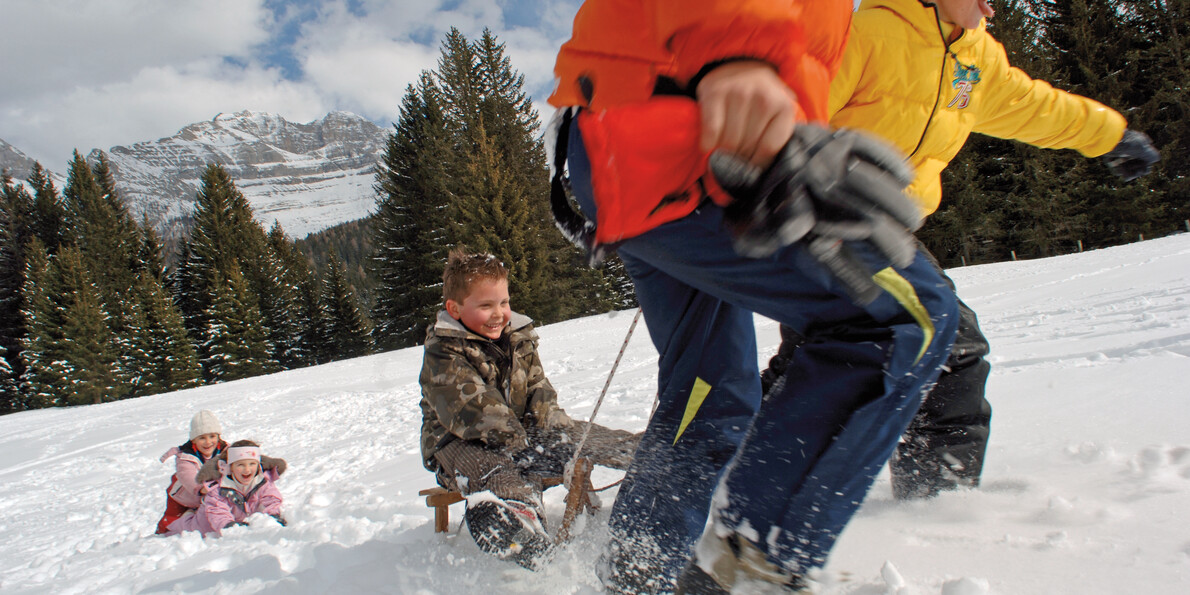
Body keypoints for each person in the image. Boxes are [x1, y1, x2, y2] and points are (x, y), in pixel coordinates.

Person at [547, 1, 960, 592]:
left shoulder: (960, 56)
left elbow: (1022, 102)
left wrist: (1111, 136)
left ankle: (639, 575)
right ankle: (750, 565)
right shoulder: (890, 32)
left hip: (626, 152)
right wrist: (734, 49)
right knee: (901, 315)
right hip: (684, 135)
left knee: (709, 391)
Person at [760, 0, 1161, 500]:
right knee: (948, 346)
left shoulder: (975, 59)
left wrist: (1111, 136)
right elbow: (793, 117)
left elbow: (1034, 106)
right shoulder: (867, 33)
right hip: (828, 222)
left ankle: (727, 455)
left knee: (820, 354)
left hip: (883, 228)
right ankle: (937, 502)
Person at [418, 248, 640, 570]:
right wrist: (526, 445)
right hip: (457, 444)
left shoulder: (518, 338)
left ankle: (649, 455)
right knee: (493, 468)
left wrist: (553, 422)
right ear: (454, 308)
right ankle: (517, 521)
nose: (499, 313)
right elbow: (474, 411)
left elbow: (538, 387)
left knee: (576, 436)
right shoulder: (445, 351)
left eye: (504, 303)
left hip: (519, 432)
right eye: (486, 305)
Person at [165, 440, 287, 537]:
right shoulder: (218, 488)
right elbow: (217, 511)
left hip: (238, 517)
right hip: (206, 524)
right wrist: (228, 525)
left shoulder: (263, 481)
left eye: (252, 464)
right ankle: (186, 516)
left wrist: (273, 515)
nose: (247, 469)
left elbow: (271, 499)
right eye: (240, 465)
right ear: (230, 467)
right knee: (191, 527)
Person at [156, 410, 228, 534]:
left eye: (212, 436)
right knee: (172, 519)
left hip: (211, 492)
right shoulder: (185, 457)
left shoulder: (226, 451)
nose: (208, 442)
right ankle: (162, 533)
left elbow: (240, 462)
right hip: (184, 494)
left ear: (218, 437)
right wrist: (200, 488)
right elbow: (188, 476)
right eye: (202, 438)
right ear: (194, 440)